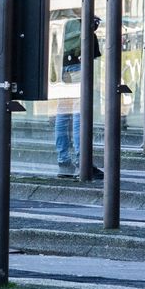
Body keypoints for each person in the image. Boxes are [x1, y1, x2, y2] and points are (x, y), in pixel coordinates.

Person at [55, 16, 103, 179]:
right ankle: (83, 160)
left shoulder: (62, 17)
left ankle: (63, 160)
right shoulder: (79, 13)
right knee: (79, 113)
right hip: (77, 65)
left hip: (61, 66)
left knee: (63, 112)